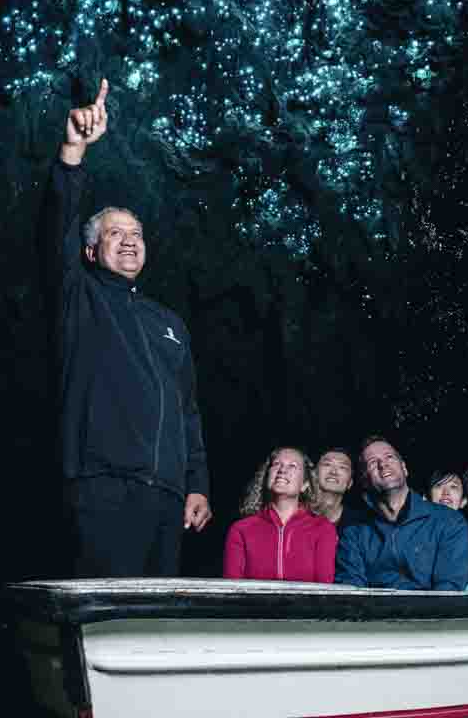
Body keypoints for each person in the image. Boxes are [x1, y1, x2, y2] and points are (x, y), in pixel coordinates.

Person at [44, 78, 211, 577]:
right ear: (90, 250)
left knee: (152, 613)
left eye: (136, 233)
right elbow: (56, 227)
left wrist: (196, 484)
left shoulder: (170, 324)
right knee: (106, 606)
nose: (130, 241)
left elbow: (187, 411)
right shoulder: (79, 295)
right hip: (102, 486)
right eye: (115, 233)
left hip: (167, 496)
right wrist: (73, 151)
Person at [334, 437, 468, 590]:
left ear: (404, 469)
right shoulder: (354, 533)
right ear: (364, 480)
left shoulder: (449, 522)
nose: (383, 464)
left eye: (389, 457)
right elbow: (351, 591)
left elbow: (448, 592)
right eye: (372, 462)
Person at [222, 447, 338, 583]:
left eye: (292, 466)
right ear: (266, 477)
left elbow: (324, 588)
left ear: (305, 485)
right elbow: (232, 588)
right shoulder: (241, 529)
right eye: (276, 464)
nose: (282, 470)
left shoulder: (323, 529)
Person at [311, 447, 354, 525]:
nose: (333, 472)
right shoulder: (293, 515)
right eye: (327, 464)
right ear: (315, 474)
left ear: (350, 483)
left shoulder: (361, 525)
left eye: (342, 467)